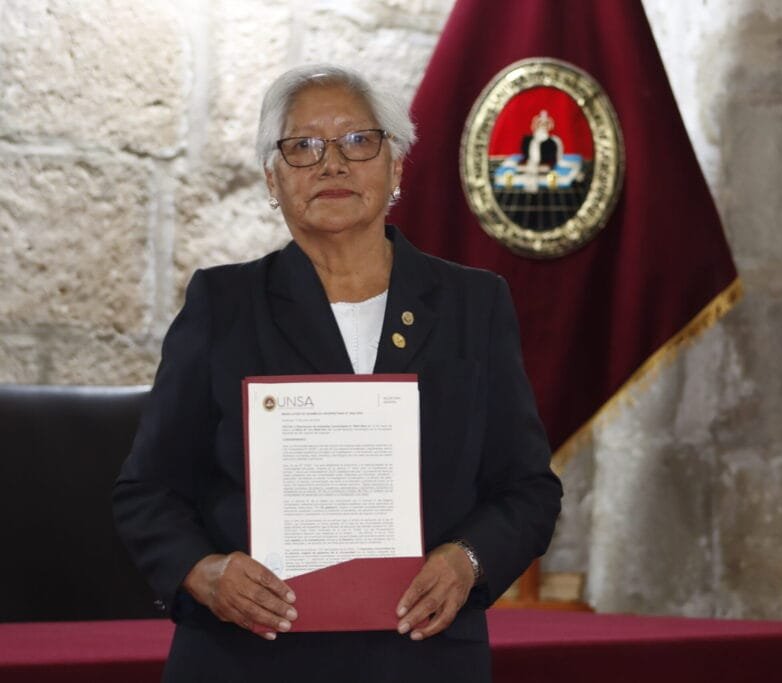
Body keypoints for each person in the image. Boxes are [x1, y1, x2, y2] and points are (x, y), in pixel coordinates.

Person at [113, 64, 562, 682]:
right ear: (273, 179)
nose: (332, 164)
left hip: (423, 658)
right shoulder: (223, 305)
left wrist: (469, 560)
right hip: (248, 658)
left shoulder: (473, 306)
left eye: (358, 141)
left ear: (397, 166)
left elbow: (529, 490)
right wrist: (203, 572)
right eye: (302, 147)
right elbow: (147, 492)